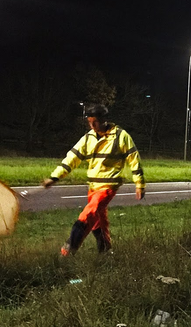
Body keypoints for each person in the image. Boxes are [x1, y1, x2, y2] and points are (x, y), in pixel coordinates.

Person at [42, 103, 145, 256]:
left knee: (89, 213)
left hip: (109, 186)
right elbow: (71, 158)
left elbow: (134, 159)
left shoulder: (121, 136)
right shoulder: (88, 138)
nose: (91, 125)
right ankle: (105, 251)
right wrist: (55, 177)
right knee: (99, 220)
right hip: (93, 186)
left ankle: (69, 250)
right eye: (89, 122)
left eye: (94, 122)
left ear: (103, 119)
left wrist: (140, 184)